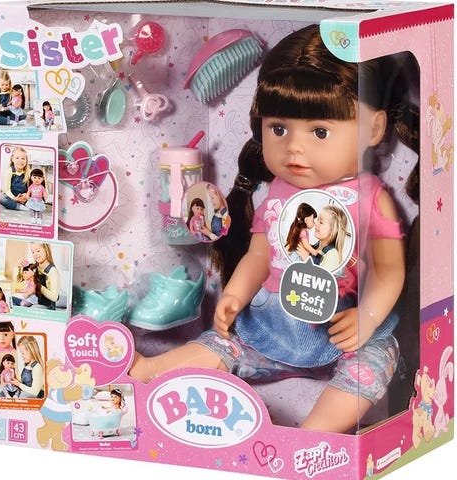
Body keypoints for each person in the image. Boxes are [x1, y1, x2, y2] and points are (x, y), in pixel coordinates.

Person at [128, 25, 417, 433]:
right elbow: (260, 254)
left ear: (373, 129)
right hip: (273, 330)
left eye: (319, 132)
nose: (294, 147)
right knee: (221, 345)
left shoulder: (371, 198)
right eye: (279, 128)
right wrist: (234, 295)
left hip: (344, 329)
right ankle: (148, 370)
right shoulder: (277, 192)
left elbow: (389, 271)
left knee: (374, 363)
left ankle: (313, 436)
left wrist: (368, 318)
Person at [297, 205, 350, 272]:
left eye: (321, 222)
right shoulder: (313, 247)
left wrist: (307, 258)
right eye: (317, 220)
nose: (316, 223)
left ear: (333, 230)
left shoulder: (332, 255)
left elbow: (323, 276)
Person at [12, 243, 60, 310]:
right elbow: (18, 280)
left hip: (46, 305)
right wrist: (18, 266)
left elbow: (54, 297)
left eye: (38, 251)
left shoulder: (52, 271)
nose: (35, 254)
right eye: (33, 252)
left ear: (46, 250)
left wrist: (35, 280)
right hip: (33, 300)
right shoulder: (34, 265)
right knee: (11, 301)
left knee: (32, 309)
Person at [0, 145, 30, 211]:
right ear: (12, 159)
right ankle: (20, 207)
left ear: (26, 160)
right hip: (11, 196)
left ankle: (26, 205)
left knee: (35, 200)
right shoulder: (10, 171)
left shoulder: (28, 172)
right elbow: (7, 190)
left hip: (23, 197)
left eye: (23, 158)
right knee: (3, 199)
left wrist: (26, 195)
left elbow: (30, 188)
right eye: (17, 158)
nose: (20, 161)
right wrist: (14, 198)